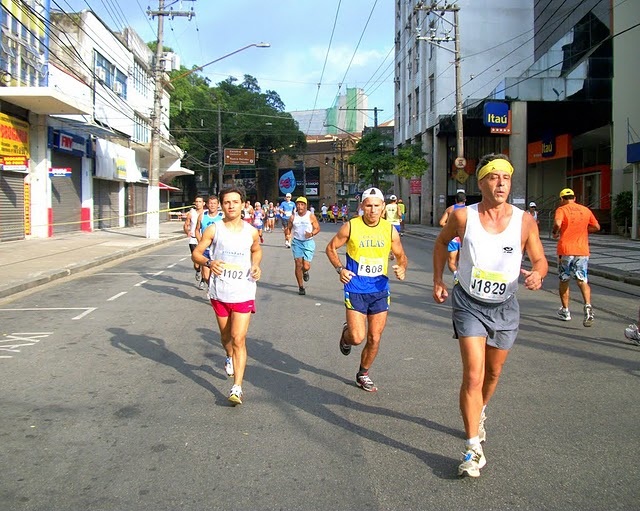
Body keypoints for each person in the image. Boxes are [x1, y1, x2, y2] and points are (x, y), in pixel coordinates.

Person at [432, 153, 548, 478]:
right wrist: (437, 280)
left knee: (493, 375)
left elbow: (540, 260)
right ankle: (472, 448)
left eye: (506, 177)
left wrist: (538, 273)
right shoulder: (463, 217)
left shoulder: (525, 221)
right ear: (481, 182)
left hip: (505, 307)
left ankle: (479, 411)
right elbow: (441, 244)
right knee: (473, 374)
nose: (501, 183)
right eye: (494, 177)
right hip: (468, 302)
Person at [325, 187, 408, 393]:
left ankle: (363, 373)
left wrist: (402, 267)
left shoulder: (389, 230)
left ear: (383, 207)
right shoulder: (351, 227)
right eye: (368, 205)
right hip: (356, 287)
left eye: (376, 206)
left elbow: (401, 255)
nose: (372, 210)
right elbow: (331, 247)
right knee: (357, 337)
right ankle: (346, 334)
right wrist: (340, 269)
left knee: (375, 337)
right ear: (362, 206)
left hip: (380, 288)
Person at [191, 187, 262, 406]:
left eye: (235, 202)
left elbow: (257, 250)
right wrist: (210, 262)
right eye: (227, 202)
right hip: (220, 291)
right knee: (226, 338)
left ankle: (237, 387)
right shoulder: (214, 230)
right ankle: (229, 356)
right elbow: (196, 253)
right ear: (222, 205)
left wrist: (256, 265)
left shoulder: (251, 231)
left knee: (239, 338)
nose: (231, 205)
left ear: (243, 204)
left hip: (243, 290)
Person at [552, 188, 600, 327]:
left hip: (565, 250)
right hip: (582, 250)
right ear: (574, 198)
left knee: (564, 279)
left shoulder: (562, 209)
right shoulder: (585, 210)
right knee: (582, 279)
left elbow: (557, 224)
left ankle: (565, 311)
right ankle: (588, 306)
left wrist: (555, 232)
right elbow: (596, 226)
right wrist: (585, 230)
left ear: (562, 199)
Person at [285, 197, 321, 295]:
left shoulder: (311, 216)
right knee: (298, 264)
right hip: (297, 242)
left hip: (308, 242)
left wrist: (311, 234)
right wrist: (287, 235)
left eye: (302, 204)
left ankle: (305, 272)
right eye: (298, 204)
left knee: (306, 266)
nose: (300, 206)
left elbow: (317, 228)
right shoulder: (293, 217)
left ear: (305, 206)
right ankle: (301, 287)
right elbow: (288, 228)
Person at [195, 195, 224, 290]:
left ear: (218, 205)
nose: (212, 205)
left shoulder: (222, 216)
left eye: (214, 203)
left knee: (218, 273)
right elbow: (197, 230)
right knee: (207, 276)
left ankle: (216, 291)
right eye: (210, 203)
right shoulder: (202, 216)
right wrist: (201, 242)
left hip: (218, 250)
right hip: (206, 249)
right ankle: (210, 287)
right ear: (207, 204)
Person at [439, 191, 467, 276]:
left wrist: (451, 228)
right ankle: (462, 278)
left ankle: (457, 276)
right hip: (464, 239)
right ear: (465, 200)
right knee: (462, 262)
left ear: (455, 200)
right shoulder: (469, 210)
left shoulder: (450, 209)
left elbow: (441, 222)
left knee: (451, 262)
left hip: (453, 239)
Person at [183, 195, 205, 285]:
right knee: (197, 262)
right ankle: (198, 270)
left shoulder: (206, 213)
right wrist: (187, 231)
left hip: (204, 240)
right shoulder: (191, 213)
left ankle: (203, 280)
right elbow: (186, 225)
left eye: (200, 202)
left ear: (203, 203)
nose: (198, 203)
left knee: (204, 260)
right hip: (193, 240)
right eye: (196, 202)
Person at [384, 195, 402, 260]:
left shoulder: (387, 206)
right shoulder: (397, 206)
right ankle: (394, 252)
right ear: (396, 200)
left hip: (388, 224)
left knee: (388, 239)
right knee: (396, 239)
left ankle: (390, 251)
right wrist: (400, 218)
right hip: (396, 224)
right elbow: (399, 214)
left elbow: (383, 214)